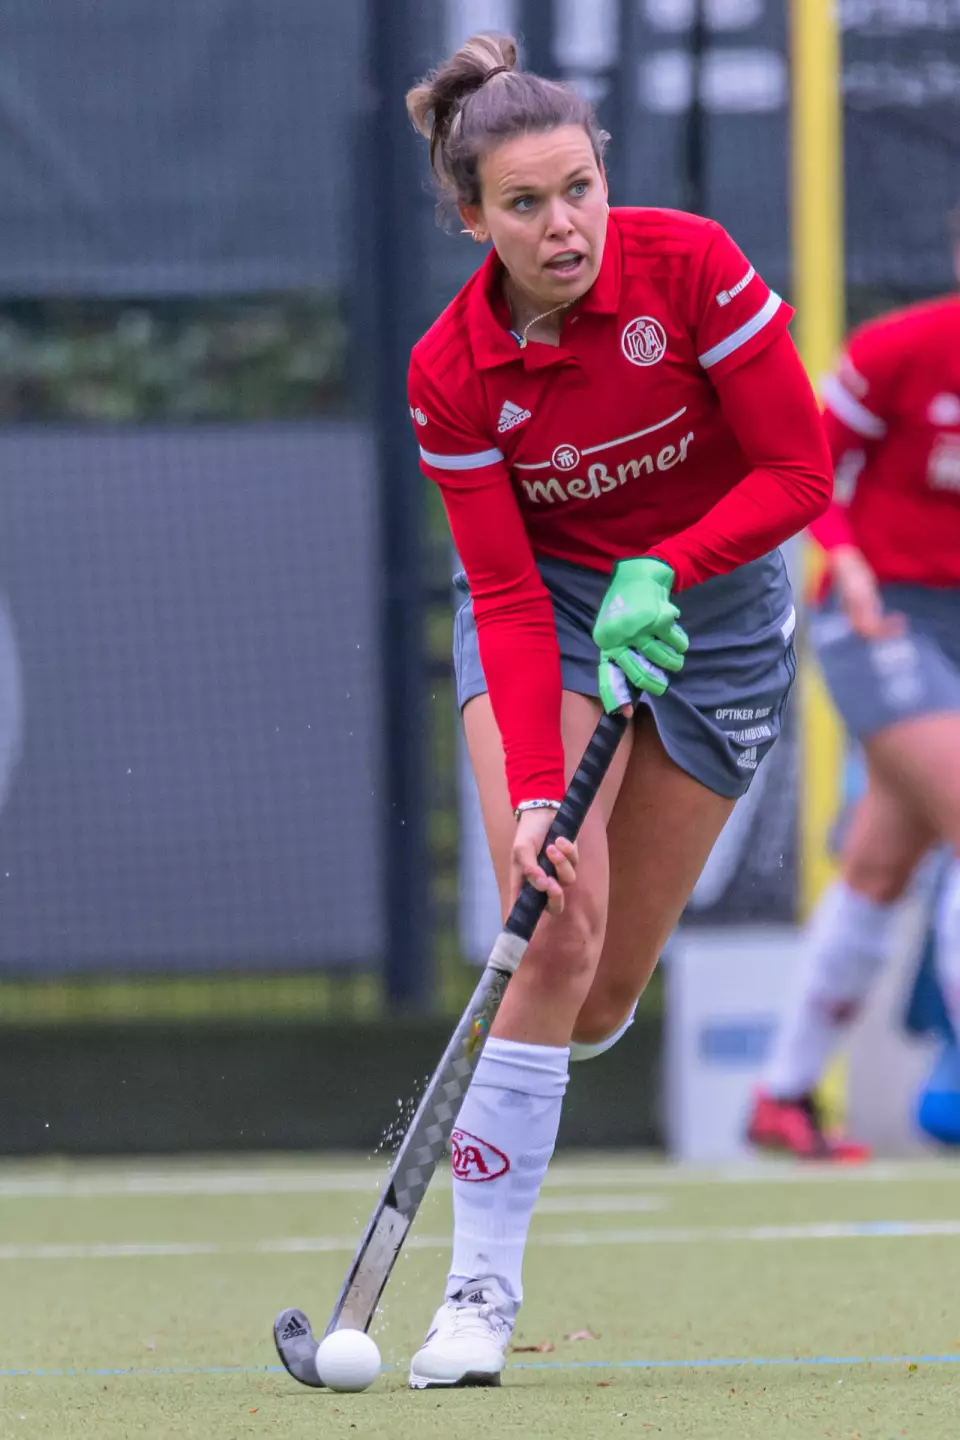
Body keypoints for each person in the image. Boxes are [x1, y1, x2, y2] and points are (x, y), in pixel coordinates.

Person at [404, 33, 831, 1388]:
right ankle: (476, 1295)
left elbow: (800, 472)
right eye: (525, 204)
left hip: (718, 619)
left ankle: (546, 1041)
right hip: (555, 606)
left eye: (578, 188)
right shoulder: (451, 371)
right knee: (552, 922)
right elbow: (503, 593)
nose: (564, 226)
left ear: (603, 173)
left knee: (596, 999)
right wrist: (538, 793)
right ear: (472, 218)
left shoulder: (690, 266)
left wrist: (671, 566)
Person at [748, 258, 960, 1160]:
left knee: (880, 865)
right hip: (881, 615)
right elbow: (805, 463)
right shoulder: (900, 350)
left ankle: (783, 1096)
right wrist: (846, 555)